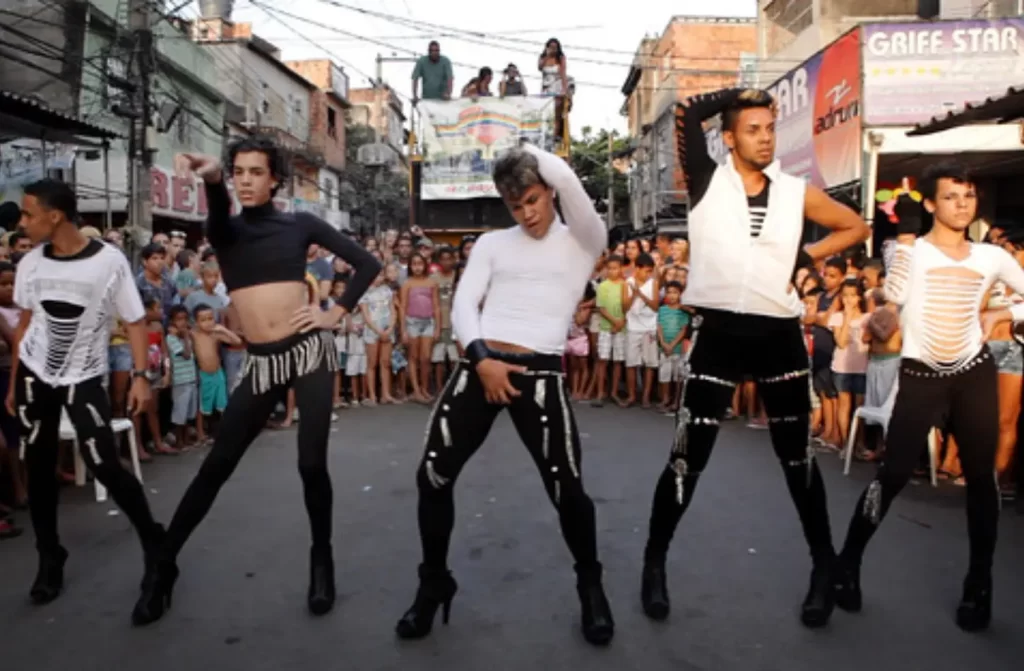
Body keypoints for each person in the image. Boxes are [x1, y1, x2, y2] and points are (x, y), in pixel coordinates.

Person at [640, 88, 870, 628]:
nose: (766, 137)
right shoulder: (706, 180)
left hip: (778, 336)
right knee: (686, 459)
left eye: (770, 128)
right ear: (729, 138)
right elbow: (686, 113)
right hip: (718, 334)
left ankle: (822, 569)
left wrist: (803, 256)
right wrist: (738, 94)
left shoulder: (795, 191)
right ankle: (654, 564)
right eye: (753, 128)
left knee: (797, 462)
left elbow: (854, 227)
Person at [132, 136, 381, 626]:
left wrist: (336, 312)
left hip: (309, 352)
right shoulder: (224, 231)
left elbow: (367, 263)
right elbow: (220, 213)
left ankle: (321, 560)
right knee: (217, 465)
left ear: (275, 180)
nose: (245, 180)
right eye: (238, 171)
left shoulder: (301, 224)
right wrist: (210, 179)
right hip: (262, 362)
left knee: (312, 463)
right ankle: (162, 568)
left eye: (255, 172)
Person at [395, 142, 614, 646]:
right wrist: (481, 358)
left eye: (534, 199)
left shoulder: (584, 237)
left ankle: (591, 585)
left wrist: (527, 153)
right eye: (516, 205)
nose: (527, 213)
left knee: (568, 490)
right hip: (481, 365)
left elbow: (569, 180)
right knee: (432, 476)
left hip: (540, 374)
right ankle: (433, 584)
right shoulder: (493, 244)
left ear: (550, 192)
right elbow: (467, 303)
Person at [832, 164, 1024, 632]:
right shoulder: (907, 252)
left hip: (973, 374)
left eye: (970, 195)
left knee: (982, 482)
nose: (963, 204)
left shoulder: (991, 257)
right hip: (919, 375)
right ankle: (847, 566)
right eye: (952, 196)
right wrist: (908, 239)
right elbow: (893, 298)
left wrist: (1000, 309)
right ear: (932, 205)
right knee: (893, 474)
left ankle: (979, 586)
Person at [6, 178, 160, 604]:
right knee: (38, 467)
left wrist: (141, 378)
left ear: (54, 217)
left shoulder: (108, 263)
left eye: (28, 214)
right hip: (36, 374)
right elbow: (25, 322)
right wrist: (16, 381)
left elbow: (133, 320)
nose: (22, 223)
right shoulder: (30, 263)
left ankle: (153, 540)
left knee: (104, 461)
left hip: (84, 376)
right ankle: (49, 556)